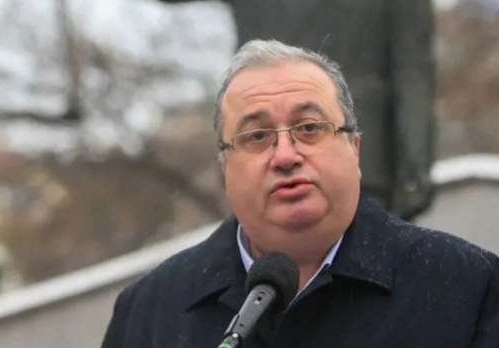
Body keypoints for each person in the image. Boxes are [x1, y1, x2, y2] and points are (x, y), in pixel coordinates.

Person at [68, 40, 499, 348]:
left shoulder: (460, 284)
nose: (285, 155)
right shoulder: (151, 309)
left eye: (310, 128)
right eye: (256, 136)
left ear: (354, 150)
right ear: (225, 167)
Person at [161, 0, 436, 219]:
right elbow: (412, 70)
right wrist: (415, 168)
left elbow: (412, 69)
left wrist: (414, 167)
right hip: (358, 164)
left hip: (338, 169)